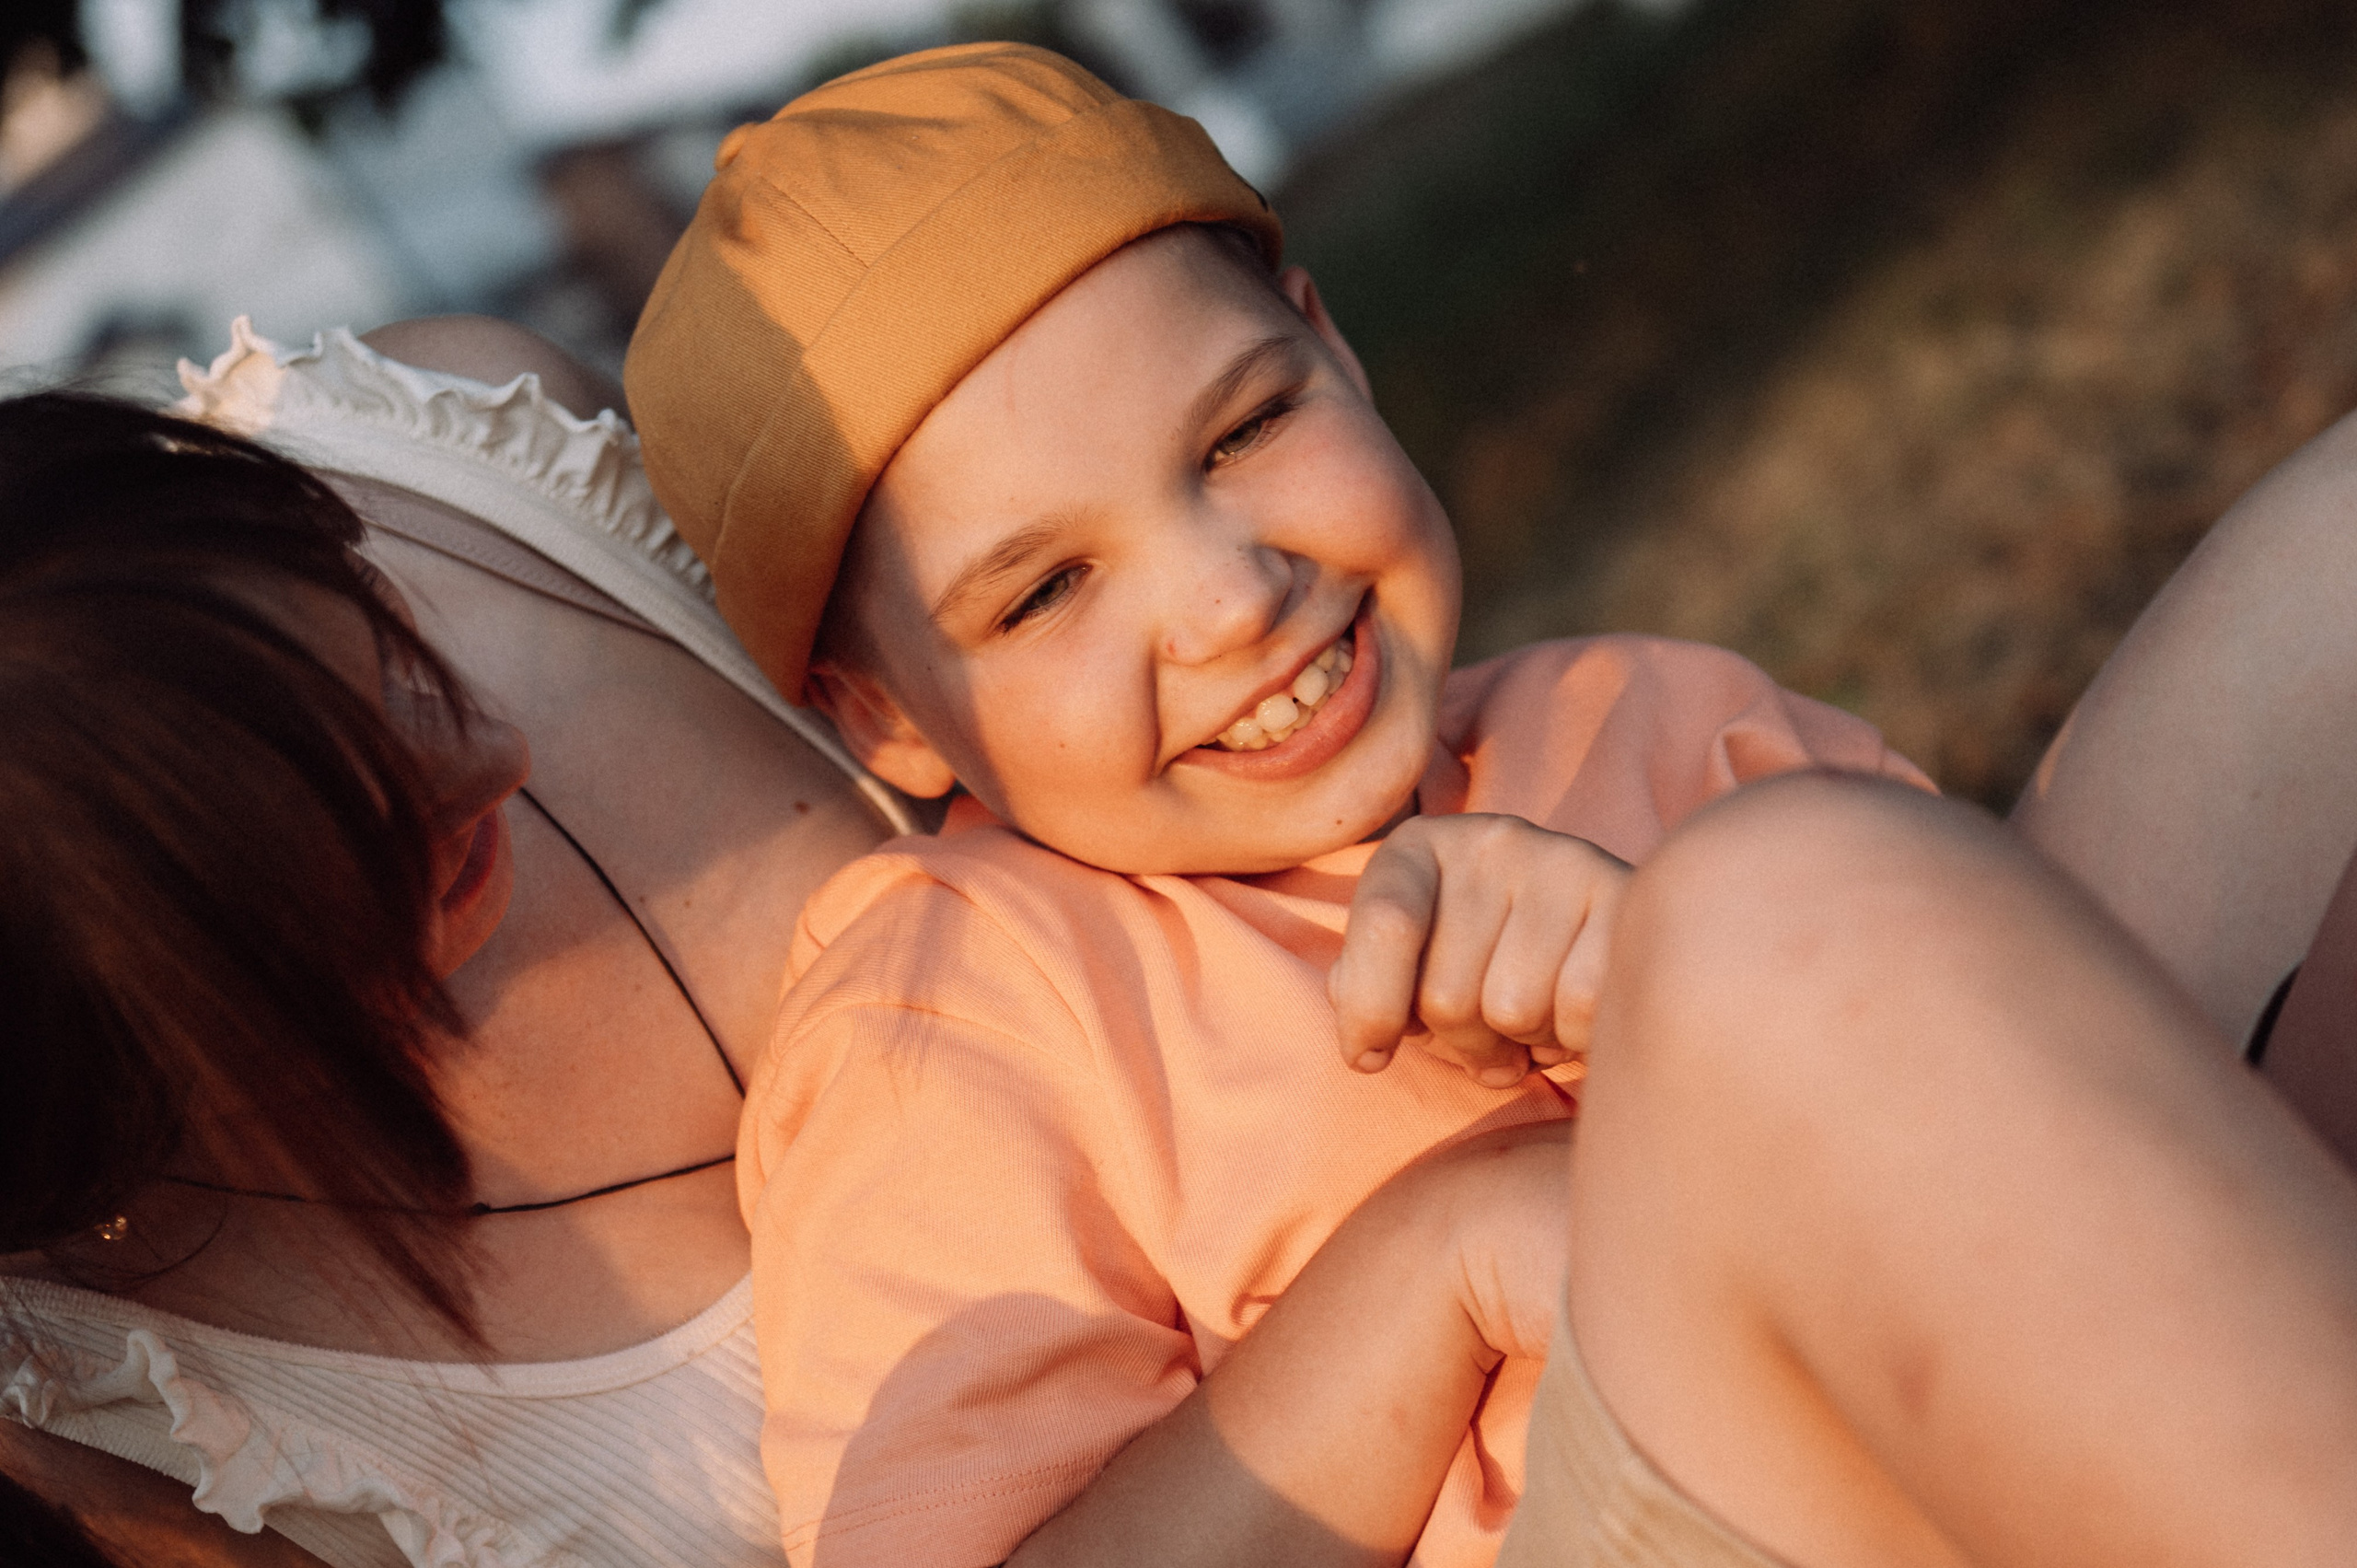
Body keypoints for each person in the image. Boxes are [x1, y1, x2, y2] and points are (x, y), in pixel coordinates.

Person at [618, 43, 1934, 1567]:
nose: (1233, 598)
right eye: (1045, 591)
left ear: (1335, 349)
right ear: (885, 714)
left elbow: (2045, 1140)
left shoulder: (1666, 720)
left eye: (1244, 432)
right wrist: (1445, 1258)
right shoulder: (967, 1016)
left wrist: (1719, 989)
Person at [0, 318, 913, 1566]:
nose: (497, 751)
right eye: (376, 847)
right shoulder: (135, 1436)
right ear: (113, 1069)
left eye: (381, 630)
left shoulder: (465, 446)